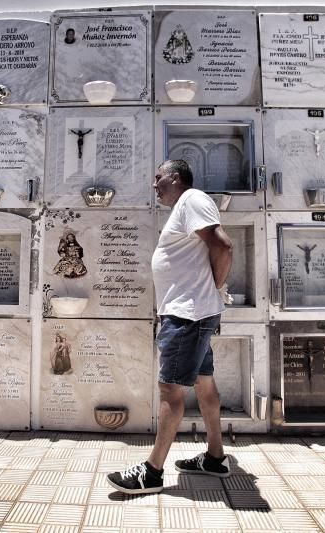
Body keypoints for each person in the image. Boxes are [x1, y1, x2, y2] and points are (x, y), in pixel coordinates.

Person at [107, 159, 233, 495]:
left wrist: (213, 288)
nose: (154, 185)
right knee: (205, 384)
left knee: (170, 391)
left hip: (188, 316)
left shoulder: (191, 199)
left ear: (175, 178)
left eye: (158, 178)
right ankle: (216, 457)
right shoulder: (187, 206)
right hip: (194, 313)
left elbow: (222, 245)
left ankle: (152, 471)